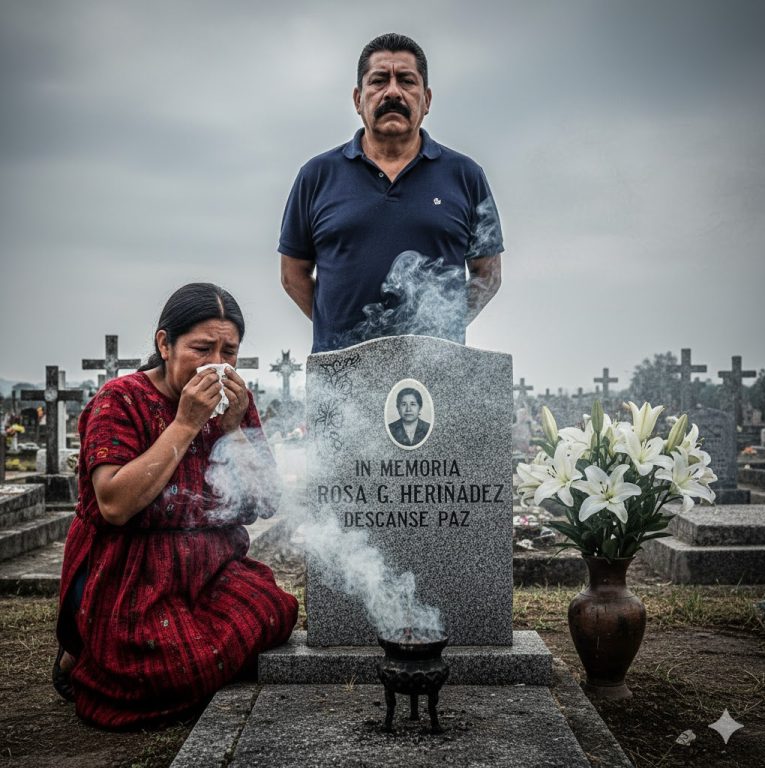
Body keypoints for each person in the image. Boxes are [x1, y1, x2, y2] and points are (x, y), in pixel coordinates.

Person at [53, 283, 298, 729]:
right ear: (164, 344)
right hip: (133, 569)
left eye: (230, 352)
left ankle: (101, 641)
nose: (217, 365)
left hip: (211, 567)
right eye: (202, 348)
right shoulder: (120, 400)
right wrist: (186, 423)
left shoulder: (235, 404)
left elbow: (267, 500)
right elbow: (113, 505)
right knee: (172, 666)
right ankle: (80, 649)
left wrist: (233, 430)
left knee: (274, 609)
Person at [279, 32, 503, 352]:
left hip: (438, 369)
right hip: (340, 375)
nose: (393, 92)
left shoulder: (466, 176)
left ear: (426, 100)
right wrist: (338, 335)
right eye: (379, 80)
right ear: (358, 99)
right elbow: (292, 275)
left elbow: (488, 274)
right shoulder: (316, 176)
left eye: (407, 81)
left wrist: (443, 327)